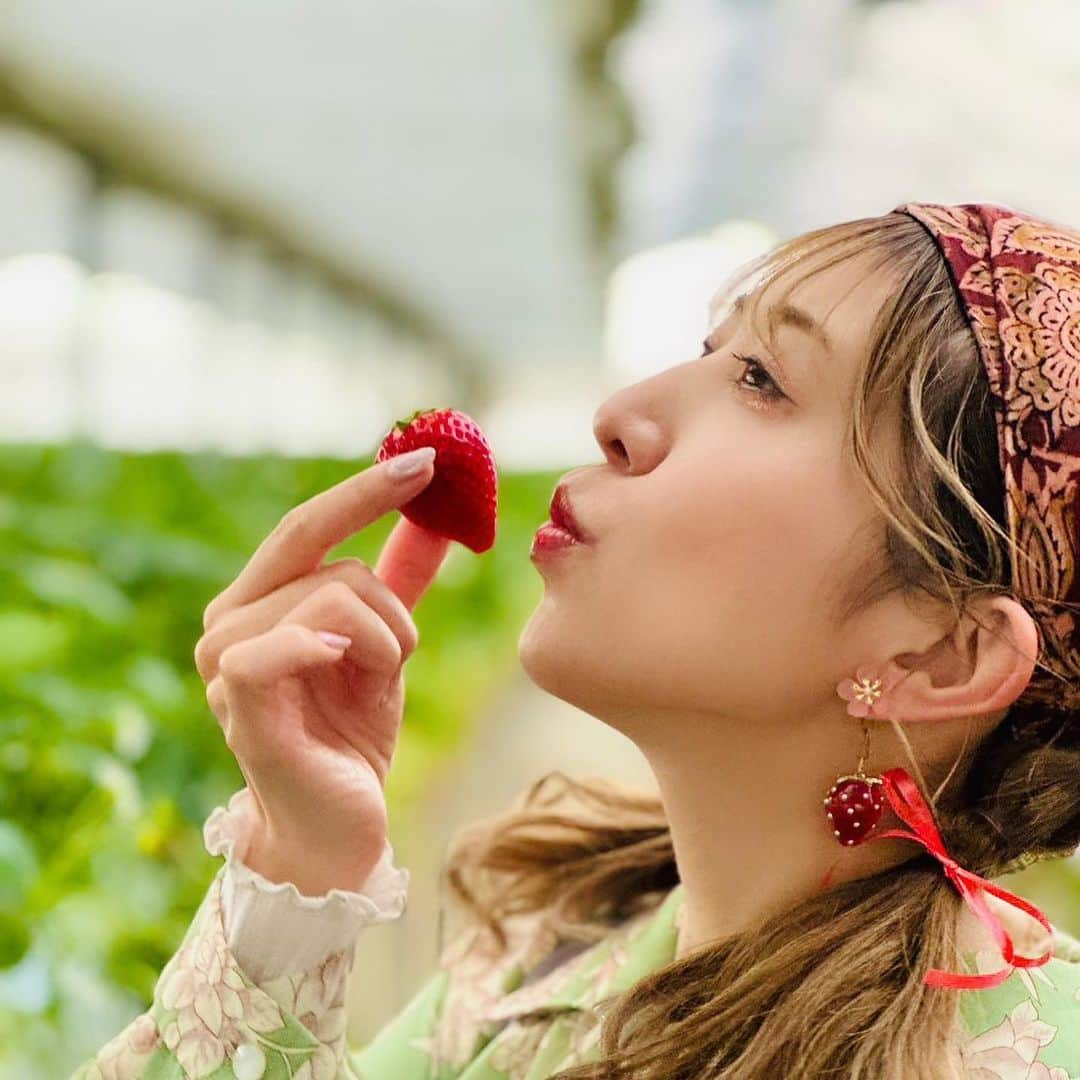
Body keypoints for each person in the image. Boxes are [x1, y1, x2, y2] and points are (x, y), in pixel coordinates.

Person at [70, 202, 1080, 1080]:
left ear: (940, 658)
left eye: (764, 380)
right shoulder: (544, 960)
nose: (619, 416)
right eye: (709, 354)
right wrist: (301, 861)